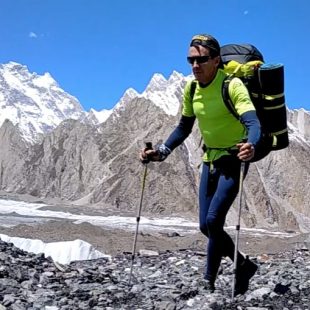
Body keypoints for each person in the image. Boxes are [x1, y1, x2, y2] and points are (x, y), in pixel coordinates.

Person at [139, 34, 260, 295]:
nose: (195, 65)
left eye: (202, 60)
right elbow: (184, 127)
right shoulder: (191, 89)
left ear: (216, 61)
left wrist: (251, 144)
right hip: (210, 159)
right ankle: (242, 266)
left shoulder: (232, 85)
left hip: (234, 158)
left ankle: (210, 277)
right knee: (205, 225)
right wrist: (162, 151)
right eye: (191, 60)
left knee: (214, 221)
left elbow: (253, 122)